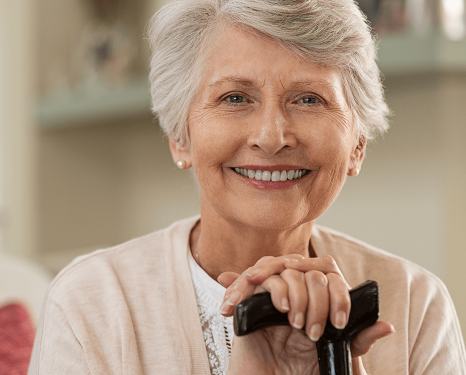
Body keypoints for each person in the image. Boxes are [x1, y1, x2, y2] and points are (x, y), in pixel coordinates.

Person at [29, 0, 466, 373]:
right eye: (235, 98)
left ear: (357, 144)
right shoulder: (90, 303)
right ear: (180, 136)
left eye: (308, 99)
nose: (272, 136)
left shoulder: (415, 304)